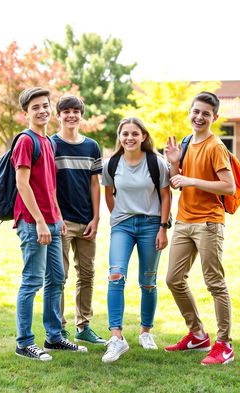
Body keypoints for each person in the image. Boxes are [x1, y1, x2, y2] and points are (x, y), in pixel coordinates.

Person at [11, 87, 87, 361]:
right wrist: (42, 222)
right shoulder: (26, 141)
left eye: (45, 105)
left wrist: (57, 218)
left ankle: (54, 337)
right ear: (26, 113)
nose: (42, 110)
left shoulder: (48, 142)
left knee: (56, 279)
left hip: (53, 222)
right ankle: (24, 343)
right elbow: (22, 183)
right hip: (33, 223)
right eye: (36, 107)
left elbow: (49, 185)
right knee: (31, 282)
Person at [164, 91, 235, 365]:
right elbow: (177, 182)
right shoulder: (186, 143)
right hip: (183, 221)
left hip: (208, 223)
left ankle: (224, 344)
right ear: (190, 112)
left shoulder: (215, 146)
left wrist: (191, 179)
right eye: (196, 111)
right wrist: (173, 163)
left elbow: (227, 186)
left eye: (206, 113)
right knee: (173, 279)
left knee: (214, 283)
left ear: (214, 118)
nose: (199, 117)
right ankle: (197, 334)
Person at [101, 117, 171, 362]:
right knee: (115, 275)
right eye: (124, 134)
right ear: (119, 137)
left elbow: (165, 195)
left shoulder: (156, 162)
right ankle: (116, 338)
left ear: (143, 136)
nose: (129, 138)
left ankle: (145, 332)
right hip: (122, 226)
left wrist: (163, 228)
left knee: (148, 282)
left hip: (152, 225)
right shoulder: (111, 164)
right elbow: (108, 194)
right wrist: (119, 216)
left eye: (134, 133)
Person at [52, 95, 105, 344]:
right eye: (66, 111)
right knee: (58, 275)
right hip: (61, 221)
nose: (71, 115)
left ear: (81, 115)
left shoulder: (92, 146)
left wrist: (96, 217)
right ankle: (58, 329)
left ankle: (83, 327)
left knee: (87, 274)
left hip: (86, 221)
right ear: (58, 115)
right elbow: (48, 185)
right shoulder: (51, 144)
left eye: (76, 111)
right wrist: (57, 217)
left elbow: (95, 184)